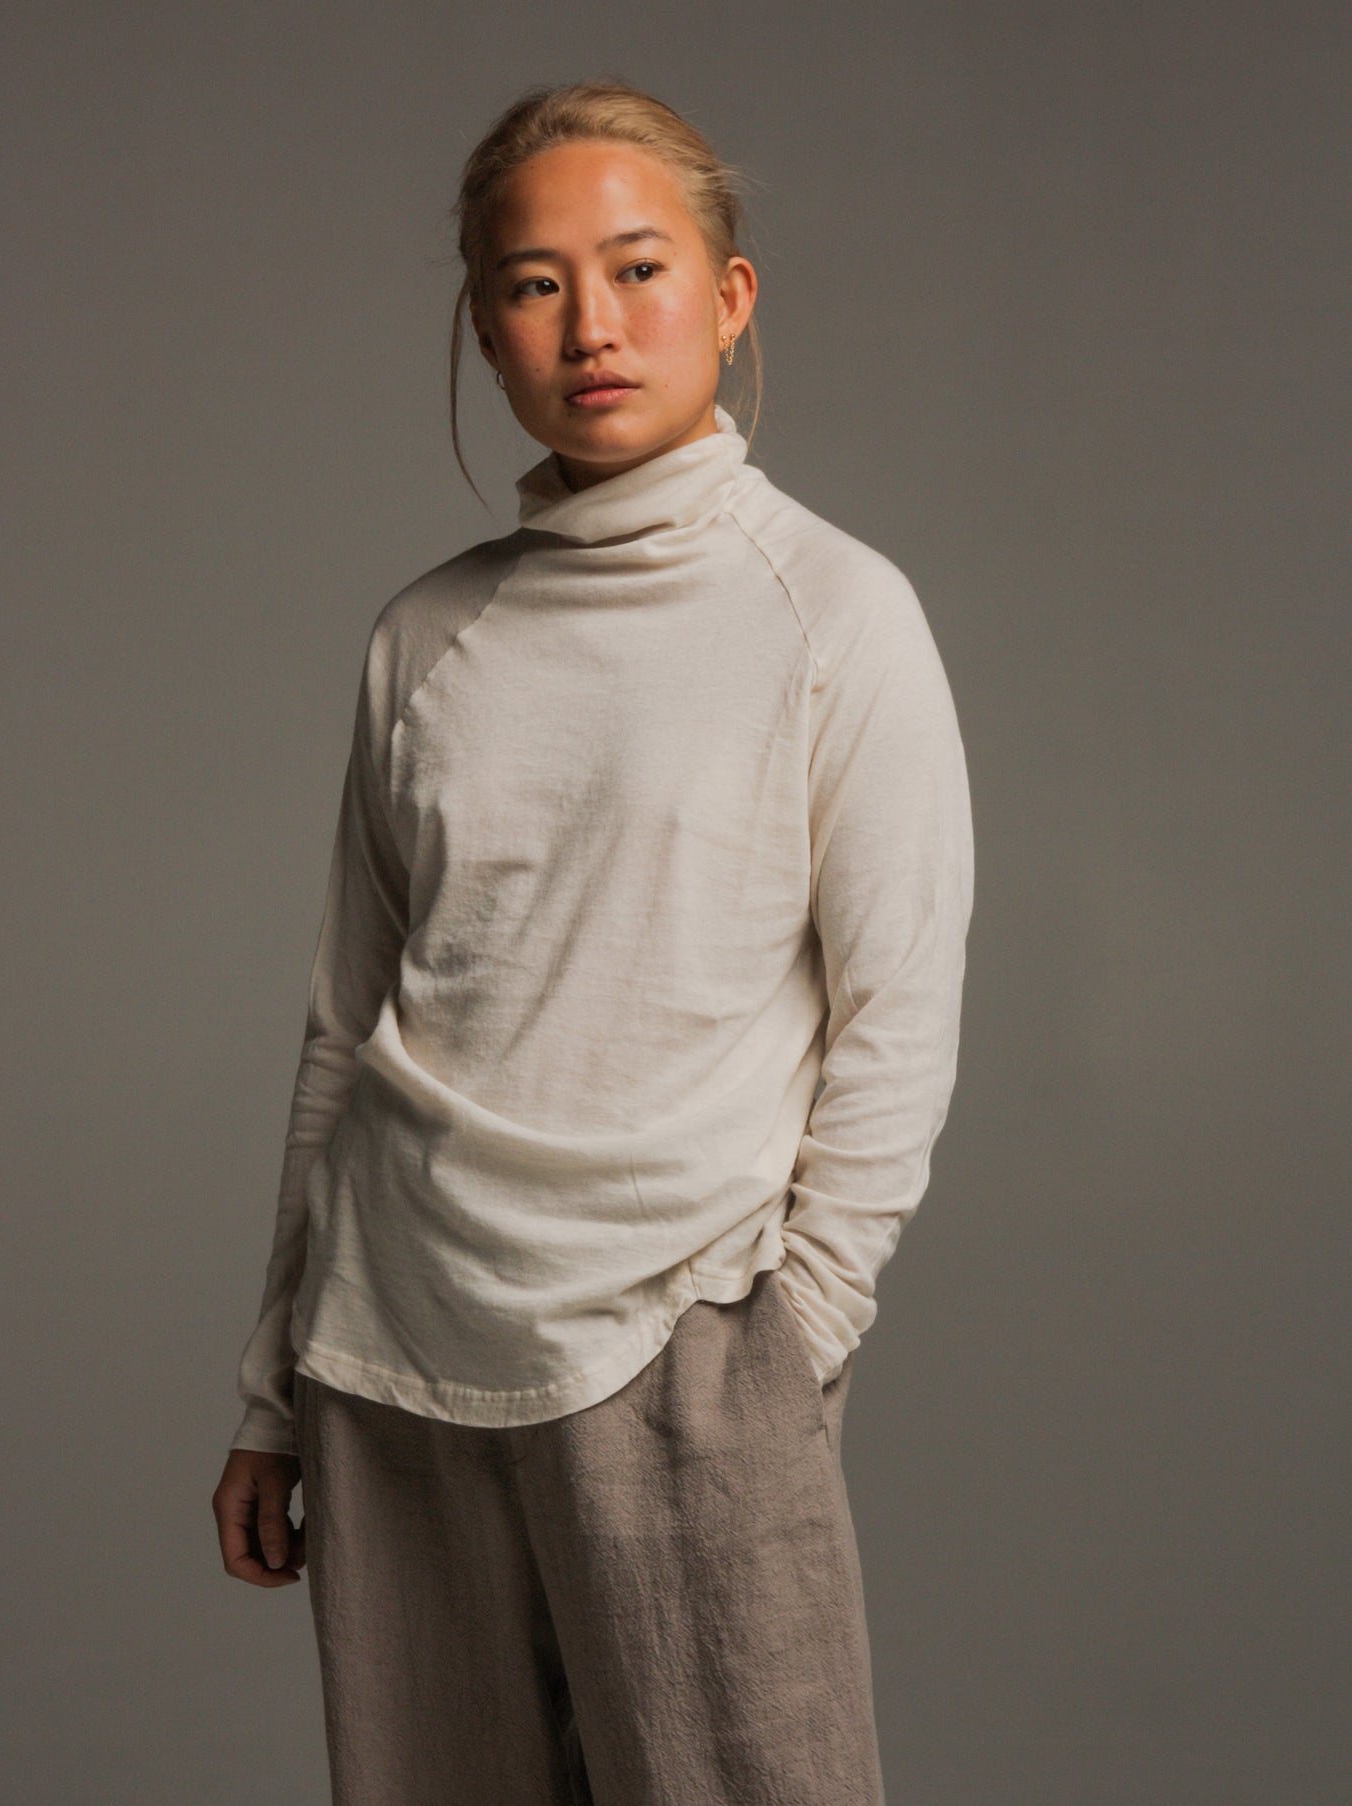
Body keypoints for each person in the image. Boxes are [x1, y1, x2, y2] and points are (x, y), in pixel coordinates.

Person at [211, 77, 974, 1806]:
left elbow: (897, 1016)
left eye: (637, 268)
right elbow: (347, 1025)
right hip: (391, 1350)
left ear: (729, 295)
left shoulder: (834, 613)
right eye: (533, 283)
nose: (591, 325)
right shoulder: (426, 636)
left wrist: (788, 1338)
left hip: (682, 1343)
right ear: (483, 325)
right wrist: (270, 1392)